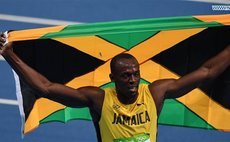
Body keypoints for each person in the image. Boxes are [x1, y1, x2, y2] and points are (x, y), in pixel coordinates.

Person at [0, 32, 230, 142]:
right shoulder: (98, 99)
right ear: (113, 78)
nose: (132, 79)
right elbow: (46, 87)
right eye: (125, 75)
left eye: (135, 74)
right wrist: (10, 56)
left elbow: (206, 72)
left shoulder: (155, 93)